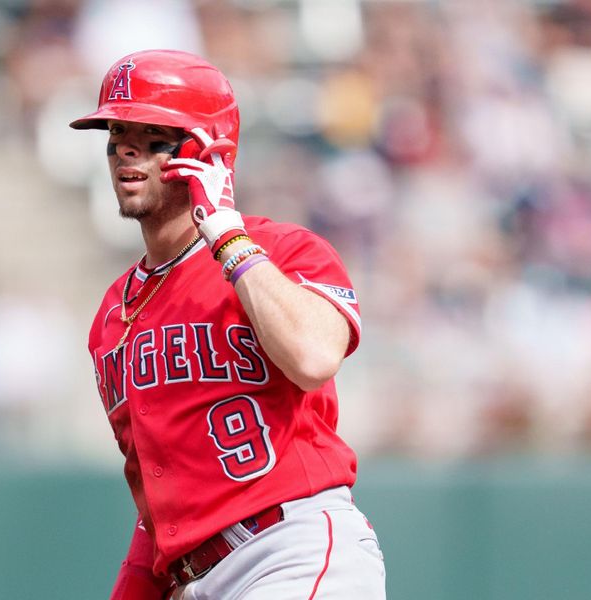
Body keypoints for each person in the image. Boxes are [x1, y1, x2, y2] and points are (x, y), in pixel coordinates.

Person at [70, 49, 386, 600]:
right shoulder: (113, 313)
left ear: (208, 149)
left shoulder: (284, 250)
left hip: (291, 549)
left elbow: (315, 357)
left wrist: (229, 237)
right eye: (118, 129)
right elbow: (157, 508)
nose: (126, 146)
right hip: (194, 579)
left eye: (152, 134)